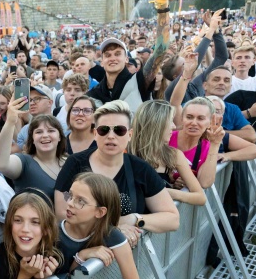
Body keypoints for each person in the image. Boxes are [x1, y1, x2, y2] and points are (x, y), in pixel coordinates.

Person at [54, 100, 179, 245]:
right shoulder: (75, 163)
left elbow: (172, 219)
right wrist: (112, 230)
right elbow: (62, 214)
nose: (111, 136)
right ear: (95, 133)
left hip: (124, 257)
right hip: (83, 254)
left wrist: (133, 219)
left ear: (130, 135)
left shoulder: (140, 169)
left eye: (119, 130)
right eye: (104, 130)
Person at [170, 97, 256, 187]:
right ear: (182, 119)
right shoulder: (167, 137)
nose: (194, 122)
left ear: (210, 122)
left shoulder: (209, 146)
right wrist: (171, 181)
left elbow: (205, 183)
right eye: (189, 117)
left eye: (200, 118)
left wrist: (219, 148)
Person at [128, 100, 205, 205]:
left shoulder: (173, 155)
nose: (174, 126)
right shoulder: (126, 152)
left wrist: (167, 192)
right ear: (157, 125)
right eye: (170, 121)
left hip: (163, 218)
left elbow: (200, 197)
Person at [0, 189, 62, 279]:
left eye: (35, 222)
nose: (25, 229)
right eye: (18, 220)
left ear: (46, 229)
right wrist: (24, 276)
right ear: (10, 224)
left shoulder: (57, 257)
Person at [0, 98, 66, 200]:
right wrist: (10, 122)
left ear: (60, 137)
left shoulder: (70, 162)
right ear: (32, 139)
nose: (45, 135)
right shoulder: (24, 162)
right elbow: (2, 163)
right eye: (39, 132)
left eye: (51, 131)